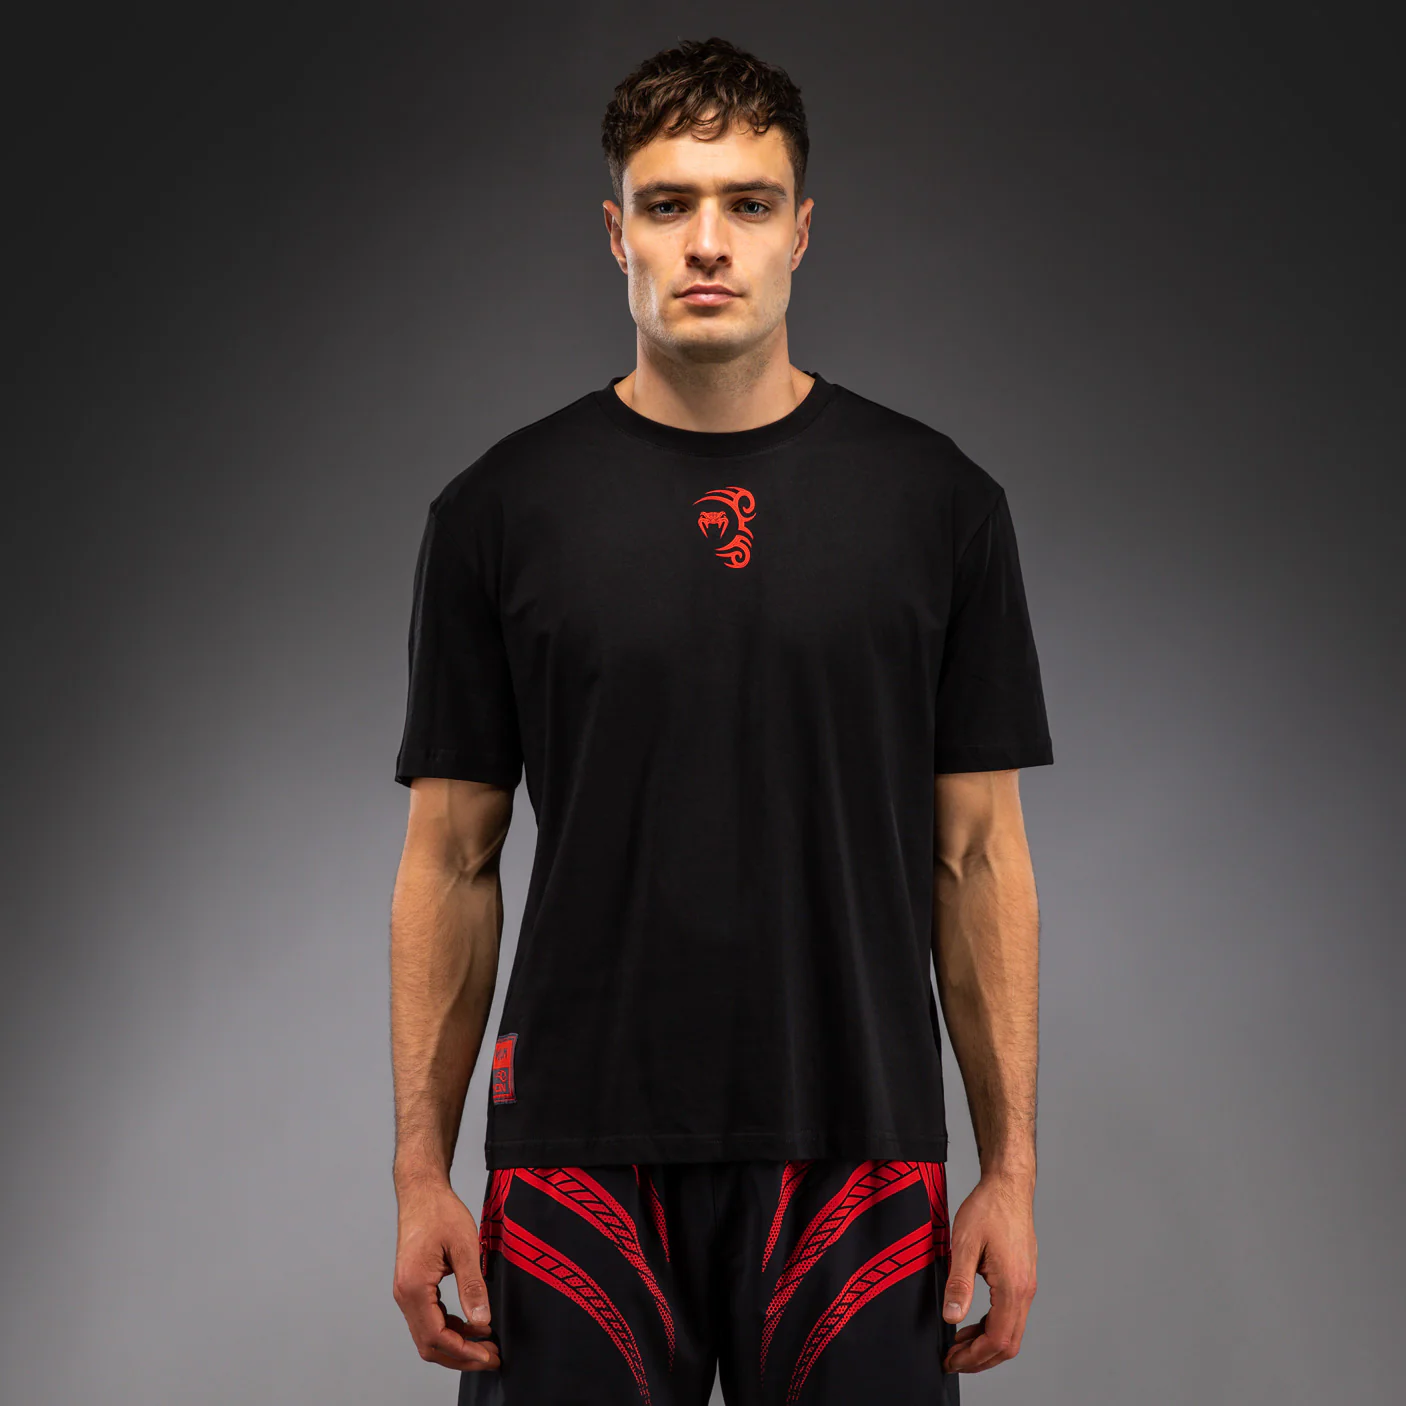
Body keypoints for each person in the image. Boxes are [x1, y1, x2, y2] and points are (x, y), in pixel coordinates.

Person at [388, 34, 1052, 1405]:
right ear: (615, 232)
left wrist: (1010, 1170)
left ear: (799, 231)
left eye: (747, 203)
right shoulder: (499, 511)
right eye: (668, 203)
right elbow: (448, 861)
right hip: (576, 1153)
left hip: (855, 1146)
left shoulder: (938, 505)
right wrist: (417, 1172)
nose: (707, 242)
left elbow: (980, 855)